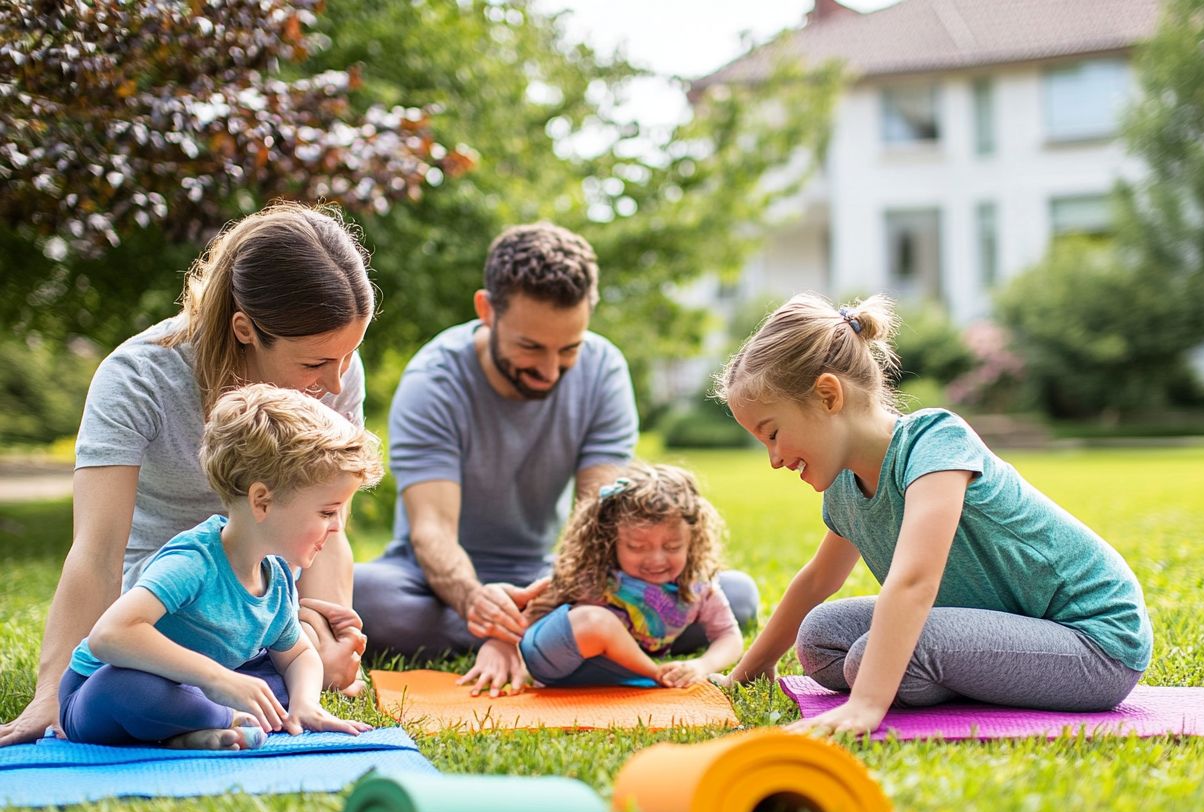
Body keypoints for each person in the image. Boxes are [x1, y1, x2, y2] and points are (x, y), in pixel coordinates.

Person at [0, 202, 374, 747]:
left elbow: (327, 522)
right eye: (316, 364)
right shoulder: (138, 377)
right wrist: (50, 693)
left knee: (307, 669)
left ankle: (220, 712)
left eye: (350, 355)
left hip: (258, 613)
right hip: (162, 618)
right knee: (133, 690)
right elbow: (97, 551)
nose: (337, 384)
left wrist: (325, 632)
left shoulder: (334, 366)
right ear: (246, 329)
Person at [712, 292, 1152, 736]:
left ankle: (943, 669)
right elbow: (817, 580)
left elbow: (915, 581)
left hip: (1095, 642)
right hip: (1009, 625)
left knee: (875, 659)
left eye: (773, 434)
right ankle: (960, 667)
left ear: (828, 396)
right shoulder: (845, 487)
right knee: (821, 638)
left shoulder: (935, 442)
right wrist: (751, 669)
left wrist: (867, 704)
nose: (773, 458)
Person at [353, 221, 760, 697]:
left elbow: (600, 522)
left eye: (569, 348)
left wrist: (539, 604)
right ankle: (577, 636)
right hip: (433, 583)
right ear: (487, 310)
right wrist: (479, 609)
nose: (550, 371)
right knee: (367, 598)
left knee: (735, 596)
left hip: (551, 575)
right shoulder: (434, 380)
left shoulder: (604, 371)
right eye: (531, 347)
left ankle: (566, 630)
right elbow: (431, 531)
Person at [58, 384, 382, 749]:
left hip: (192, 688)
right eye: (327, 512)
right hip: (98, 692)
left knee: (270, 683)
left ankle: (193, 729)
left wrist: (306, 703)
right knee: (129, 689)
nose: (338, 526)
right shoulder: (192, 562)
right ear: (262, 501)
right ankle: (224, 717)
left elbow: (299, 654)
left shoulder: (275, 576)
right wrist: (217, 679)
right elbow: (109, 636)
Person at [519, 462, 744, 688]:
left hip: (607, 678)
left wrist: (702, 666)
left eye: (673, 547)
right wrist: (510, 656)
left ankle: (653, 676)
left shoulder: (698, 586)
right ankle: (656, 675)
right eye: (637, 547)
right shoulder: (594, 574)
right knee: (596, 622)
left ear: (692, 541)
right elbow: (532, 613)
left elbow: (729, 636)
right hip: (559, 662)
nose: (656, 559)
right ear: (611, 540)